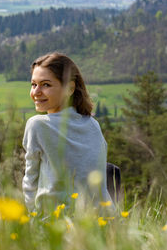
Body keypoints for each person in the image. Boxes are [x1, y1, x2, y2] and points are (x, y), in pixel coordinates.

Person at [23, 52, 113, 213]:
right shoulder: (93, 125)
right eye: (33, 84)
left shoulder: (37, 124)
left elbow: (30, 183)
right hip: (104, 220)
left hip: (57, 222)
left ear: (70, 88)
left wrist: (29, 223)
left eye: (46, 85)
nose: (36, 92)